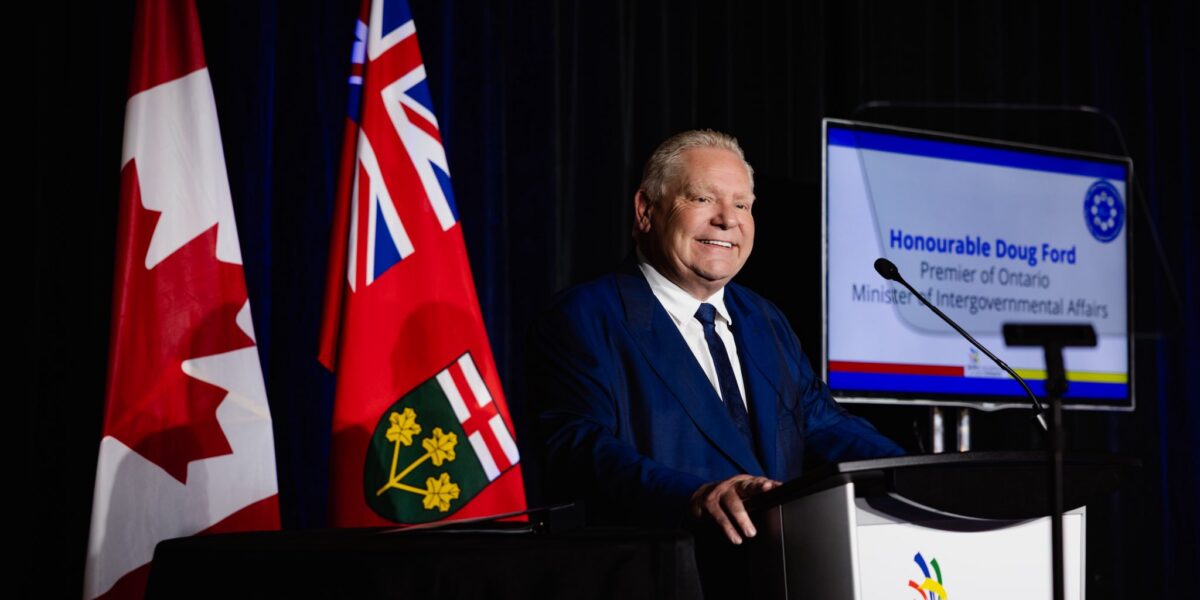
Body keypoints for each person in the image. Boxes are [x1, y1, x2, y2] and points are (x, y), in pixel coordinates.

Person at [529, 129, 903, 548]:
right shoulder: (587, 315)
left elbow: (822, 424)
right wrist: (693, 496)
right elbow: (579, 451)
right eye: (703, 199)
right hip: (669, 570)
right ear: (645, 211)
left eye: (741, 204)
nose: (728, 219)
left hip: (780, 572)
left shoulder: (764, 318)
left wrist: (913, 473)